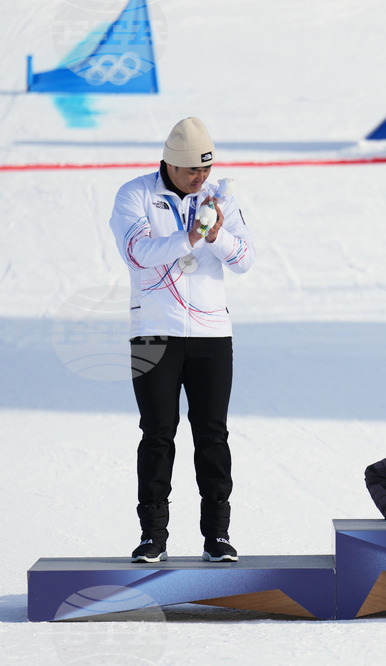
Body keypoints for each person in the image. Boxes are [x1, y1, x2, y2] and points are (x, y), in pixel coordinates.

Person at [109, 117, 256, 563]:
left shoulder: (222, 195)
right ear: (171, 164)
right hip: (153, 332)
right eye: (193, 170)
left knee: (212, 435)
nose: (201, 179)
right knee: (157, 433)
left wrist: (217, 234)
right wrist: (189, 236)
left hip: (212, 333)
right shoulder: (135, 194)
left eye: (207, 170)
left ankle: (217, 536)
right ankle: (152, 536)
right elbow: (139, 254)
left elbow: (246, 259)